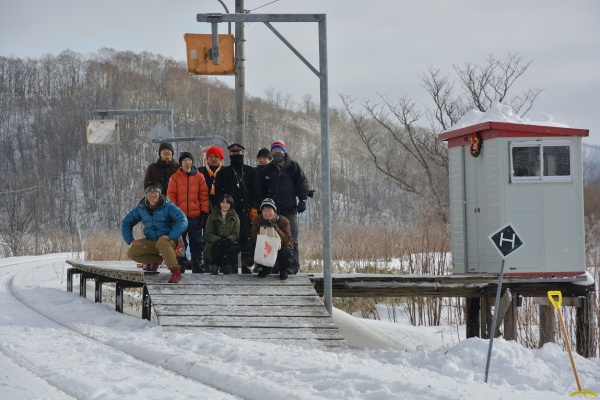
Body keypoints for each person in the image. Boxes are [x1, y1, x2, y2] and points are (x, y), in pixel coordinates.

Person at [260, 139, 309, 274]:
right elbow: (262, 189)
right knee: (272, 237)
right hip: (273, 210)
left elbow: (302, 183)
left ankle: (292, 266)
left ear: (284, 151)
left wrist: (302, 199)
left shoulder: (293, 166)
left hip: (289, 209)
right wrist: (264, 205)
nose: (277, 153)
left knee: (291, 238)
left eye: (279, 150)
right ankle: (274, 265)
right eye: (274, 151)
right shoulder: (268, 170)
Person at [121, 183, 188, 283]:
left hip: (168, 241)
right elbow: (126, 222)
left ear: (160, 193)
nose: (153, 195)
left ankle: (175, 271)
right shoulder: (141, 208)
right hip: (151, 240)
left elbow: (183, 220)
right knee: (132, 252)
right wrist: (130, 240)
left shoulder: (168, 206)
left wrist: (171, 236)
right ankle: (155, 260)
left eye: (155, 191)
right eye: (149, 192)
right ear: (146, 194)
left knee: (162, 242)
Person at [215, 143, 262, 274]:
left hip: (246, 211)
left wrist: (254, 208)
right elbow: (219, 195)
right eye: (233, 154)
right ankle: (231, 266)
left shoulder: (251, 172)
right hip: (228, 212)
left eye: (239, 154)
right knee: (230, 239)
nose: (236, 156)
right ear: (230, 155)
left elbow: (257, 193)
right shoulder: (223, 173)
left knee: (247, 239)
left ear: (243, 154)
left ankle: (247, 266)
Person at [167, 151, 210, 273]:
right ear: (181, 163)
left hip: (195, 215)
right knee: (180, 241)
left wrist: (204, 212)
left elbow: (203, 195)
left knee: (197, 240)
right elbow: (171, 196)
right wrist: (173, 213)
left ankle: (197, 262)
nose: (187, 162)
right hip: (180, 217)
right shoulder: (175, 178)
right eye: (185, 160)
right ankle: (181, 262)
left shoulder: (199, 176)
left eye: (189, 160)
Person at [250, 198, 294, 280]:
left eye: (269, 210)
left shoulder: (284, 221)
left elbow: (287, 240)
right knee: (251, 248)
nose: (267, 213)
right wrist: (264, 230)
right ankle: (265, 268)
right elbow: (254, 238)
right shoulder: (257, 221)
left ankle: (283, 270)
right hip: (265, 246)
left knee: (287, 251)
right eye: (264, 210)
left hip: (280, 247)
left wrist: (276, 229)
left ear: (274, 211)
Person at [203, 194, 241, 275]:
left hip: (229, 242)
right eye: (223, 202)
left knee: (228, 247)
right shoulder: (212, 216)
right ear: (219, 203)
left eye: (227, 203)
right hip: (214, 242)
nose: (225, 205)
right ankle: (215, 265)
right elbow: (208, 234)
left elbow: (236, 234)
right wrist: (218, 239)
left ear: (231, 204)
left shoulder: (235, 217)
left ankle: (227, 265)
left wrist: (228, 239)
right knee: (217, 246)